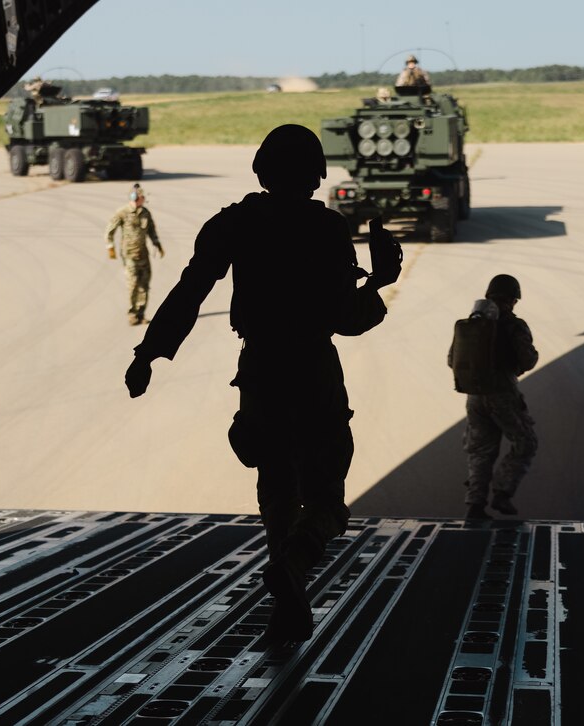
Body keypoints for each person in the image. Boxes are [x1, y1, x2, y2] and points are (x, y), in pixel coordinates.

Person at [124, 124, 402, 643]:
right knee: (324, 498)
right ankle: (295, 565)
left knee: (275, 483)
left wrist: (148, 353)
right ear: (317, 175)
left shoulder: (233, 224)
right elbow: (349, 319)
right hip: (315, 371)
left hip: (260, 372)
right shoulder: (328, 230)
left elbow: (189, 292)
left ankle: (286, 597)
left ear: (262, 170)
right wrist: (381, 281)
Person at [450, 274, 538, 520]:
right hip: (503, 396)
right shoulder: (514, 325)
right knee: (525, 443)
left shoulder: (470, 325)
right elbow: (528, 360)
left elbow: (451, 360)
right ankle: (502, 492)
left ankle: (474, 505)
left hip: (475, 397)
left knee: (481, 451)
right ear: (512, 299)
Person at [106, 184, 164, 325]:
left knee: (144, 284)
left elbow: (151, 231)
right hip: (130, 255)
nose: (144, 199)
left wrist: (157, 244)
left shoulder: (145, 213)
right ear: (135, 197)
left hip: (143, 254)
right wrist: (110, 246)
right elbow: (110, 230)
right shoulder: (123, 212)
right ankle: (132, 313)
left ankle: (141, 313)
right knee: (133, 285)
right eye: (142, 197)